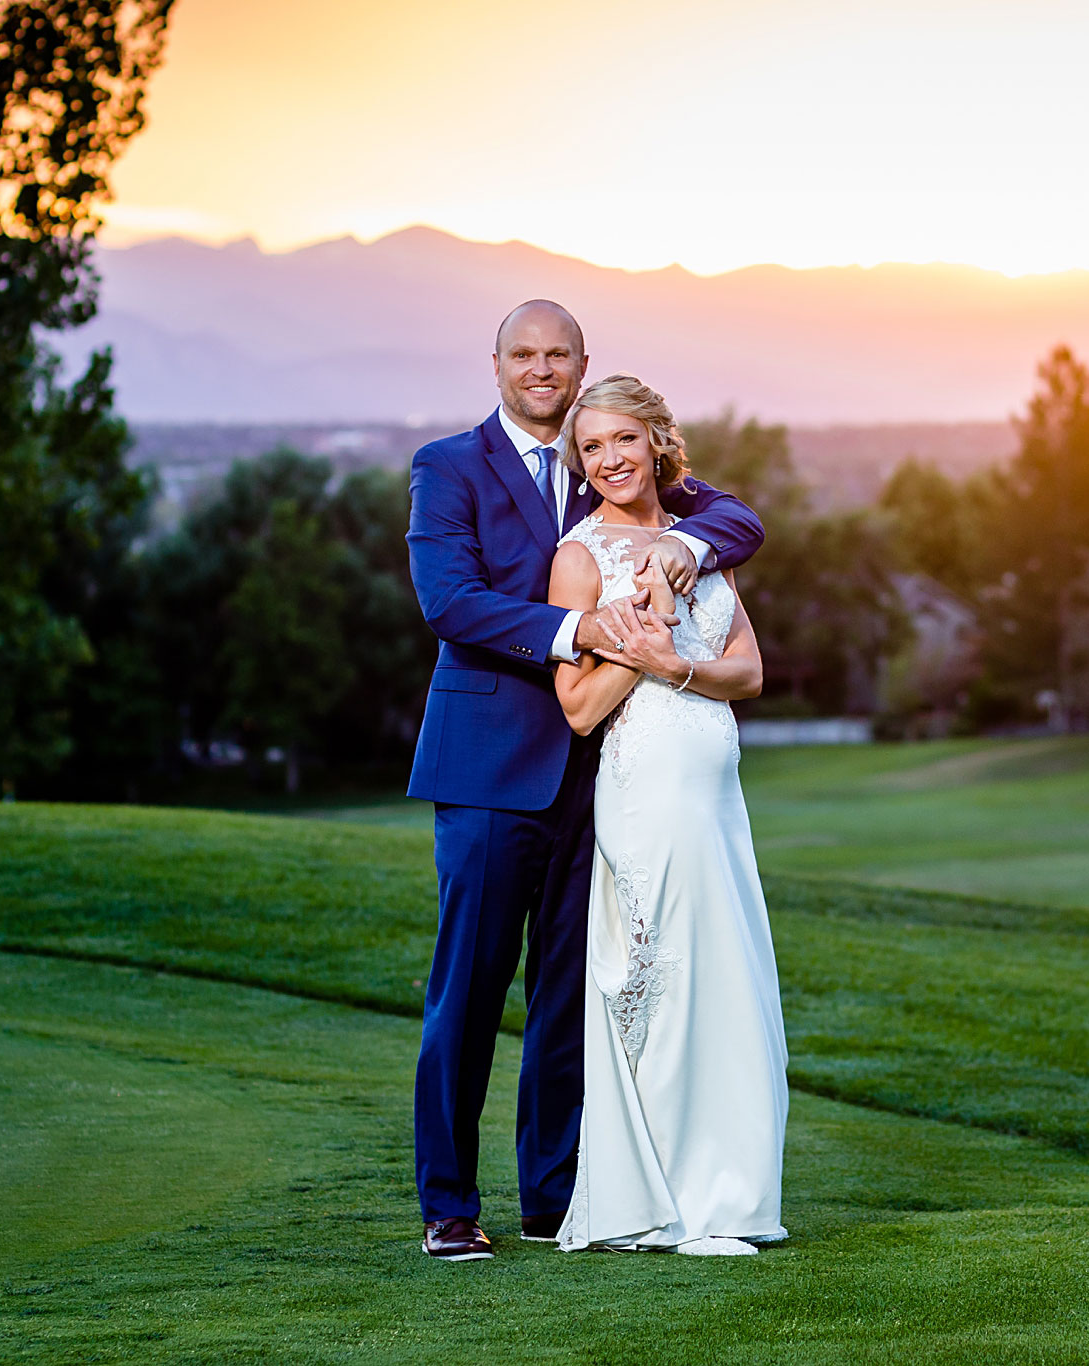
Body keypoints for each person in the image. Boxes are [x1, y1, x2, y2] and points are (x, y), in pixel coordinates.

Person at [405, 302, 765, 1261]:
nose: (541, 367)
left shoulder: (606, 457)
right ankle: (448, 1204)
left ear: (583, 364)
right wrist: (582, 632)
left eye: (557, 353)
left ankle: (554, 1195)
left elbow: (737, 516)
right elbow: (449, 601)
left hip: (602, 779)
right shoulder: (449, 467)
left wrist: (683, 550)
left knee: (573, 990)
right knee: (470, 989)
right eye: (523, 353)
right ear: (495, 365)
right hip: (490, 768)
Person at [546, 374, 787, 1255]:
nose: (609, 460)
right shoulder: (580, 558)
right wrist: (642, 649)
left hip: (718, 803)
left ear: (657, 442)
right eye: (592, 449)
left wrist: (675, 661)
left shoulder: (698, 546)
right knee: (668, 983)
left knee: (729, 982)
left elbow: (748, 673)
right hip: (645, 795)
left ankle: (734, 1195)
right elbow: (576, 708)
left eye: (623, 440)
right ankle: (672, 1203)